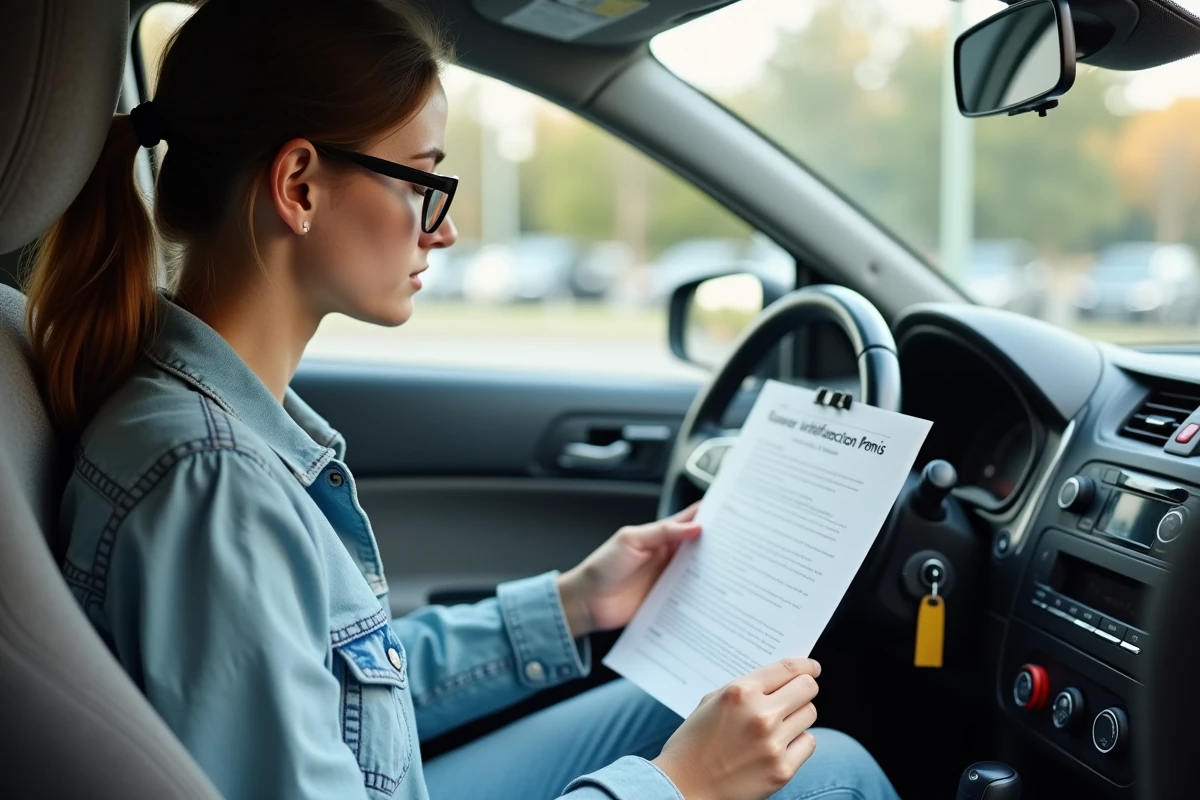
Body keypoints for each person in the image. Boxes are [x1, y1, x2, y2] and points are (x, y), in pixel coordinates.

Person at [25, 1, 902, 799]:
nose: (443, 228)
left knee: (698, 702)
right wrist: (679, 788)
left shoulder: (214, 424)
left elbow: (340, 680)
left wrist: (573, 602)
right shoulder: (212, 484)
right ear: (298, 186)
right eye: (421, 183)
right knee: (832, 771)